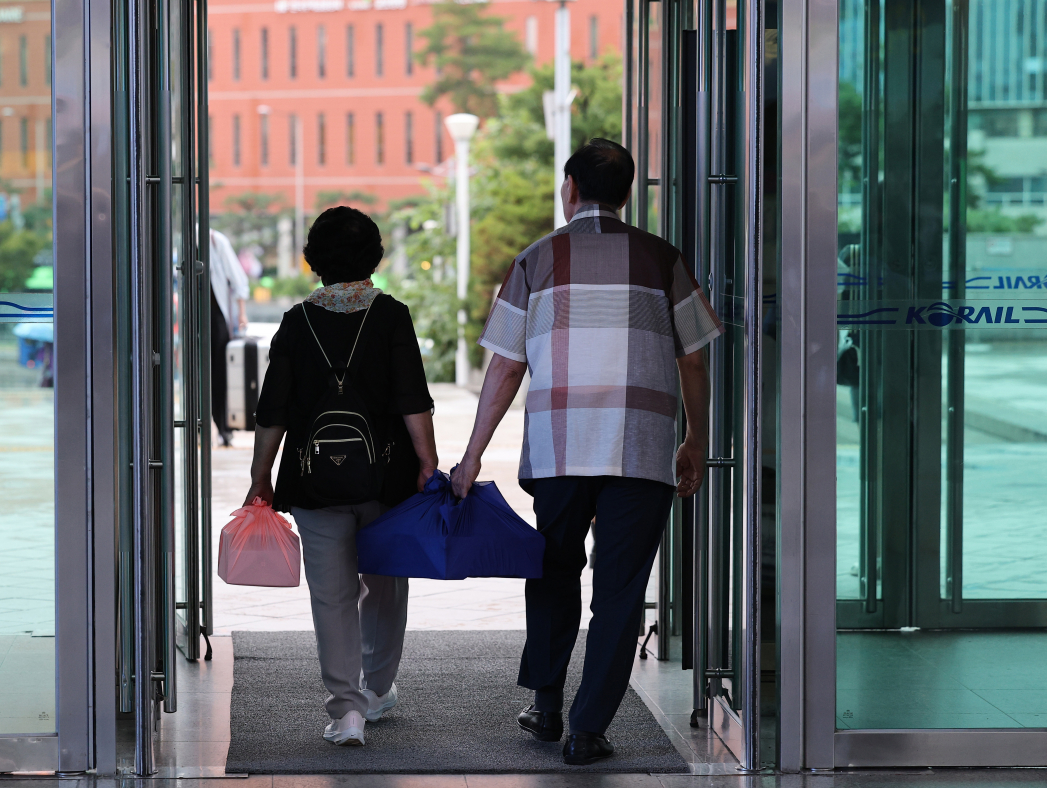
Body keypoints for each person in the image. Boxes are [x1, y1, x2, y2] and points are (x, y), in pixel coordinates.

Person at [450, 139, 722, 766]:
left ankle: (546, 706)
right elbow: (695, 357)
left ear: (569, 186)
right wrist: (696, 440)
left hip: (559, 451)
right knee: (620, 591)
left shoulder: (537, 259)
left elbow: (505, 366)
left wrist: (471, 457)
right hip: (640, 447)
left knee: (551, 573)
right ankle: (587, 729)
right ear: (627, 191)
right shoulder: (663, 259)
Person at [245, 206, 439, 747]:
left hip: (313, 481)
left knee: (330, 595)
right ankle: (376, 691)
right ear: (374, 256)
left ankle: (346, 711)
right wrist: (427, 462)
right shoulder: (393, 315)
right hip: (387, 480)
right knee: (384, 583)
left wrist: (261, 477)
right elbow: (412, 399)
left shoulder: (294, 320)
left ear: (314, 261)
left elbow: (272, 411)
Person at [209, 227, 251, 447]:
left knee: (219, 375)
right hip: (196, 316)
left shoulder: (215, 240)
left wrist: (241, 313)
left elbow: (237, 278)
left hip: (217, 316)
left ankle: (224, 428)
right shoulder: (180, 237)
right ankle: (214, 428)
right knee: (204, 376)